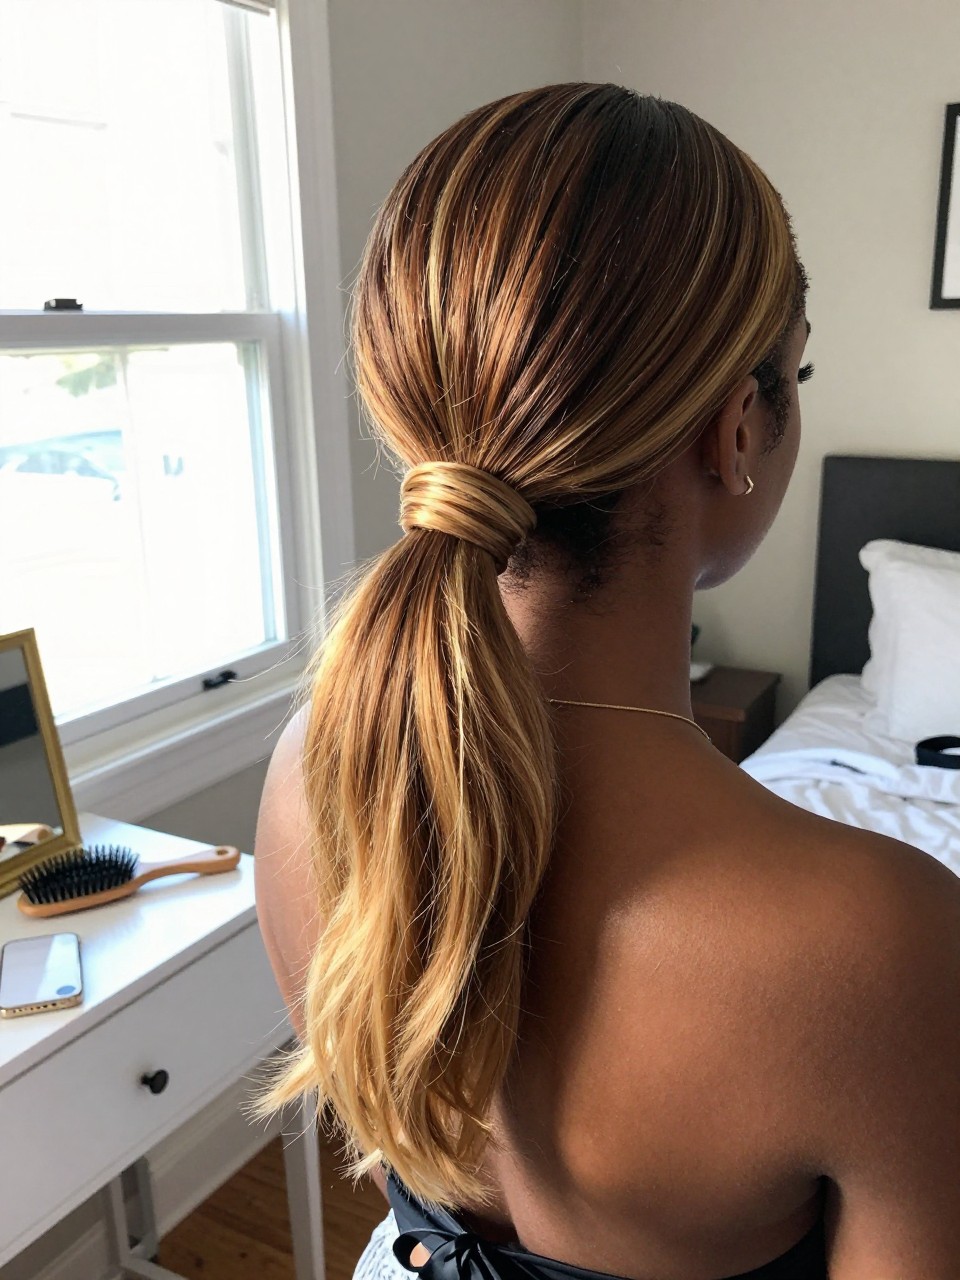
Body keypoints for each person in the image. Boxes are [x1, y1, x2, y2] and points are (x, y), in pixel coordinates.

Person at [253, 84, 960, 1280]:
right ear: (740, 429)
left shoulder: (310, 771)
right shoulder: (880, 938)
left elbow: (398, 1149)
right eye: (799, 370)